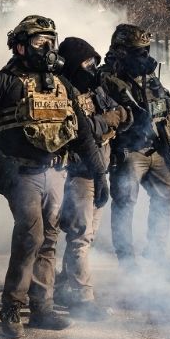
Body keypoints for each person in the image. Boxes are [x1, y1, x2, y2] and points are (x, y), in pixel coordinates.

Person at [0, 15, 105, 339]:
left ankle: (42, 309)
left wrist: (100, 173)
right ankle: (11, 307)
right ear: (20, 46)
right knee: (31, 237)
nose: (49, 49)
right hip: (20, 172)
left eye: (52, 43)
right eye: (41, 42)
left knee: (50, 240)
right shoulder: (1, 82)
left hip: (56, 171)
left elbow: (83, 132)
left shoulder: (62, 85)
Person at [99, 24, 170, 270]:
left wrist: (164, 133)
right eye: (136, 50)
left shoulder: (150, 77)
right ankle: (127, 262)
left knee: (165, 195)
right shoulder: (105, 79)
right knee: (125, 203)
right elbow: (97, 118)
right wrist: (125, 122)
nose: (144, 56)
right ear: (120, 50)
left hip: (155, 149)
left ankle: (157, 252)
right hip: (128, 151)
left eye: (145, 50)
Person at [53, 37, 131, 320]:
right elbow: (81, 131)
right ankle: (83, 298)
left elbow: (126, 114)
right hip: (79, 173)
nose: (93, 67)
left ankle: (64, 287)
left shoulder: (96, 89)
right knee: (81, 238)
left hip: (99, 171)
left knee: (86, 236)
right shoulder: (63, 92)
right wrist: (107, 120)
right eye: (87, 62)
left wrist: (109, 120)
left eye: (95, 62)